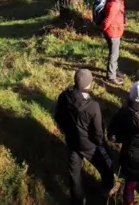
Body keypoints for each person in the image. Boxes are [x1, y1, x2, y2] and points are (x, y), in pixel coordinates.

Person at [54, 69, 119, 205]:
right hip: (90, 145)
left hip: (72, 141)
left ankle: (77, 200)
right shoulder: (93, 106)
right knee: (108, 164)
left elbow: (58, 117)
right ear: (89, 84)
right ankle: (108, 188)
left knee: (74, 173)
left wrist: (65, 130)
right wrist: (101, 144)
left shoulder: (64, 96)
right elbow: (99, 132)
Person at [103, 0, 132, 85]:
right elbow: (108, 19)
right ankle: (111, 76)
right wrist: (106, 29)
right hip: (113, 32)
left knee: (115, 53)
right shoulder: (115, 4)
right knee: (114, 54)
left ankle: (115, 70)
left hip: (115, 30)